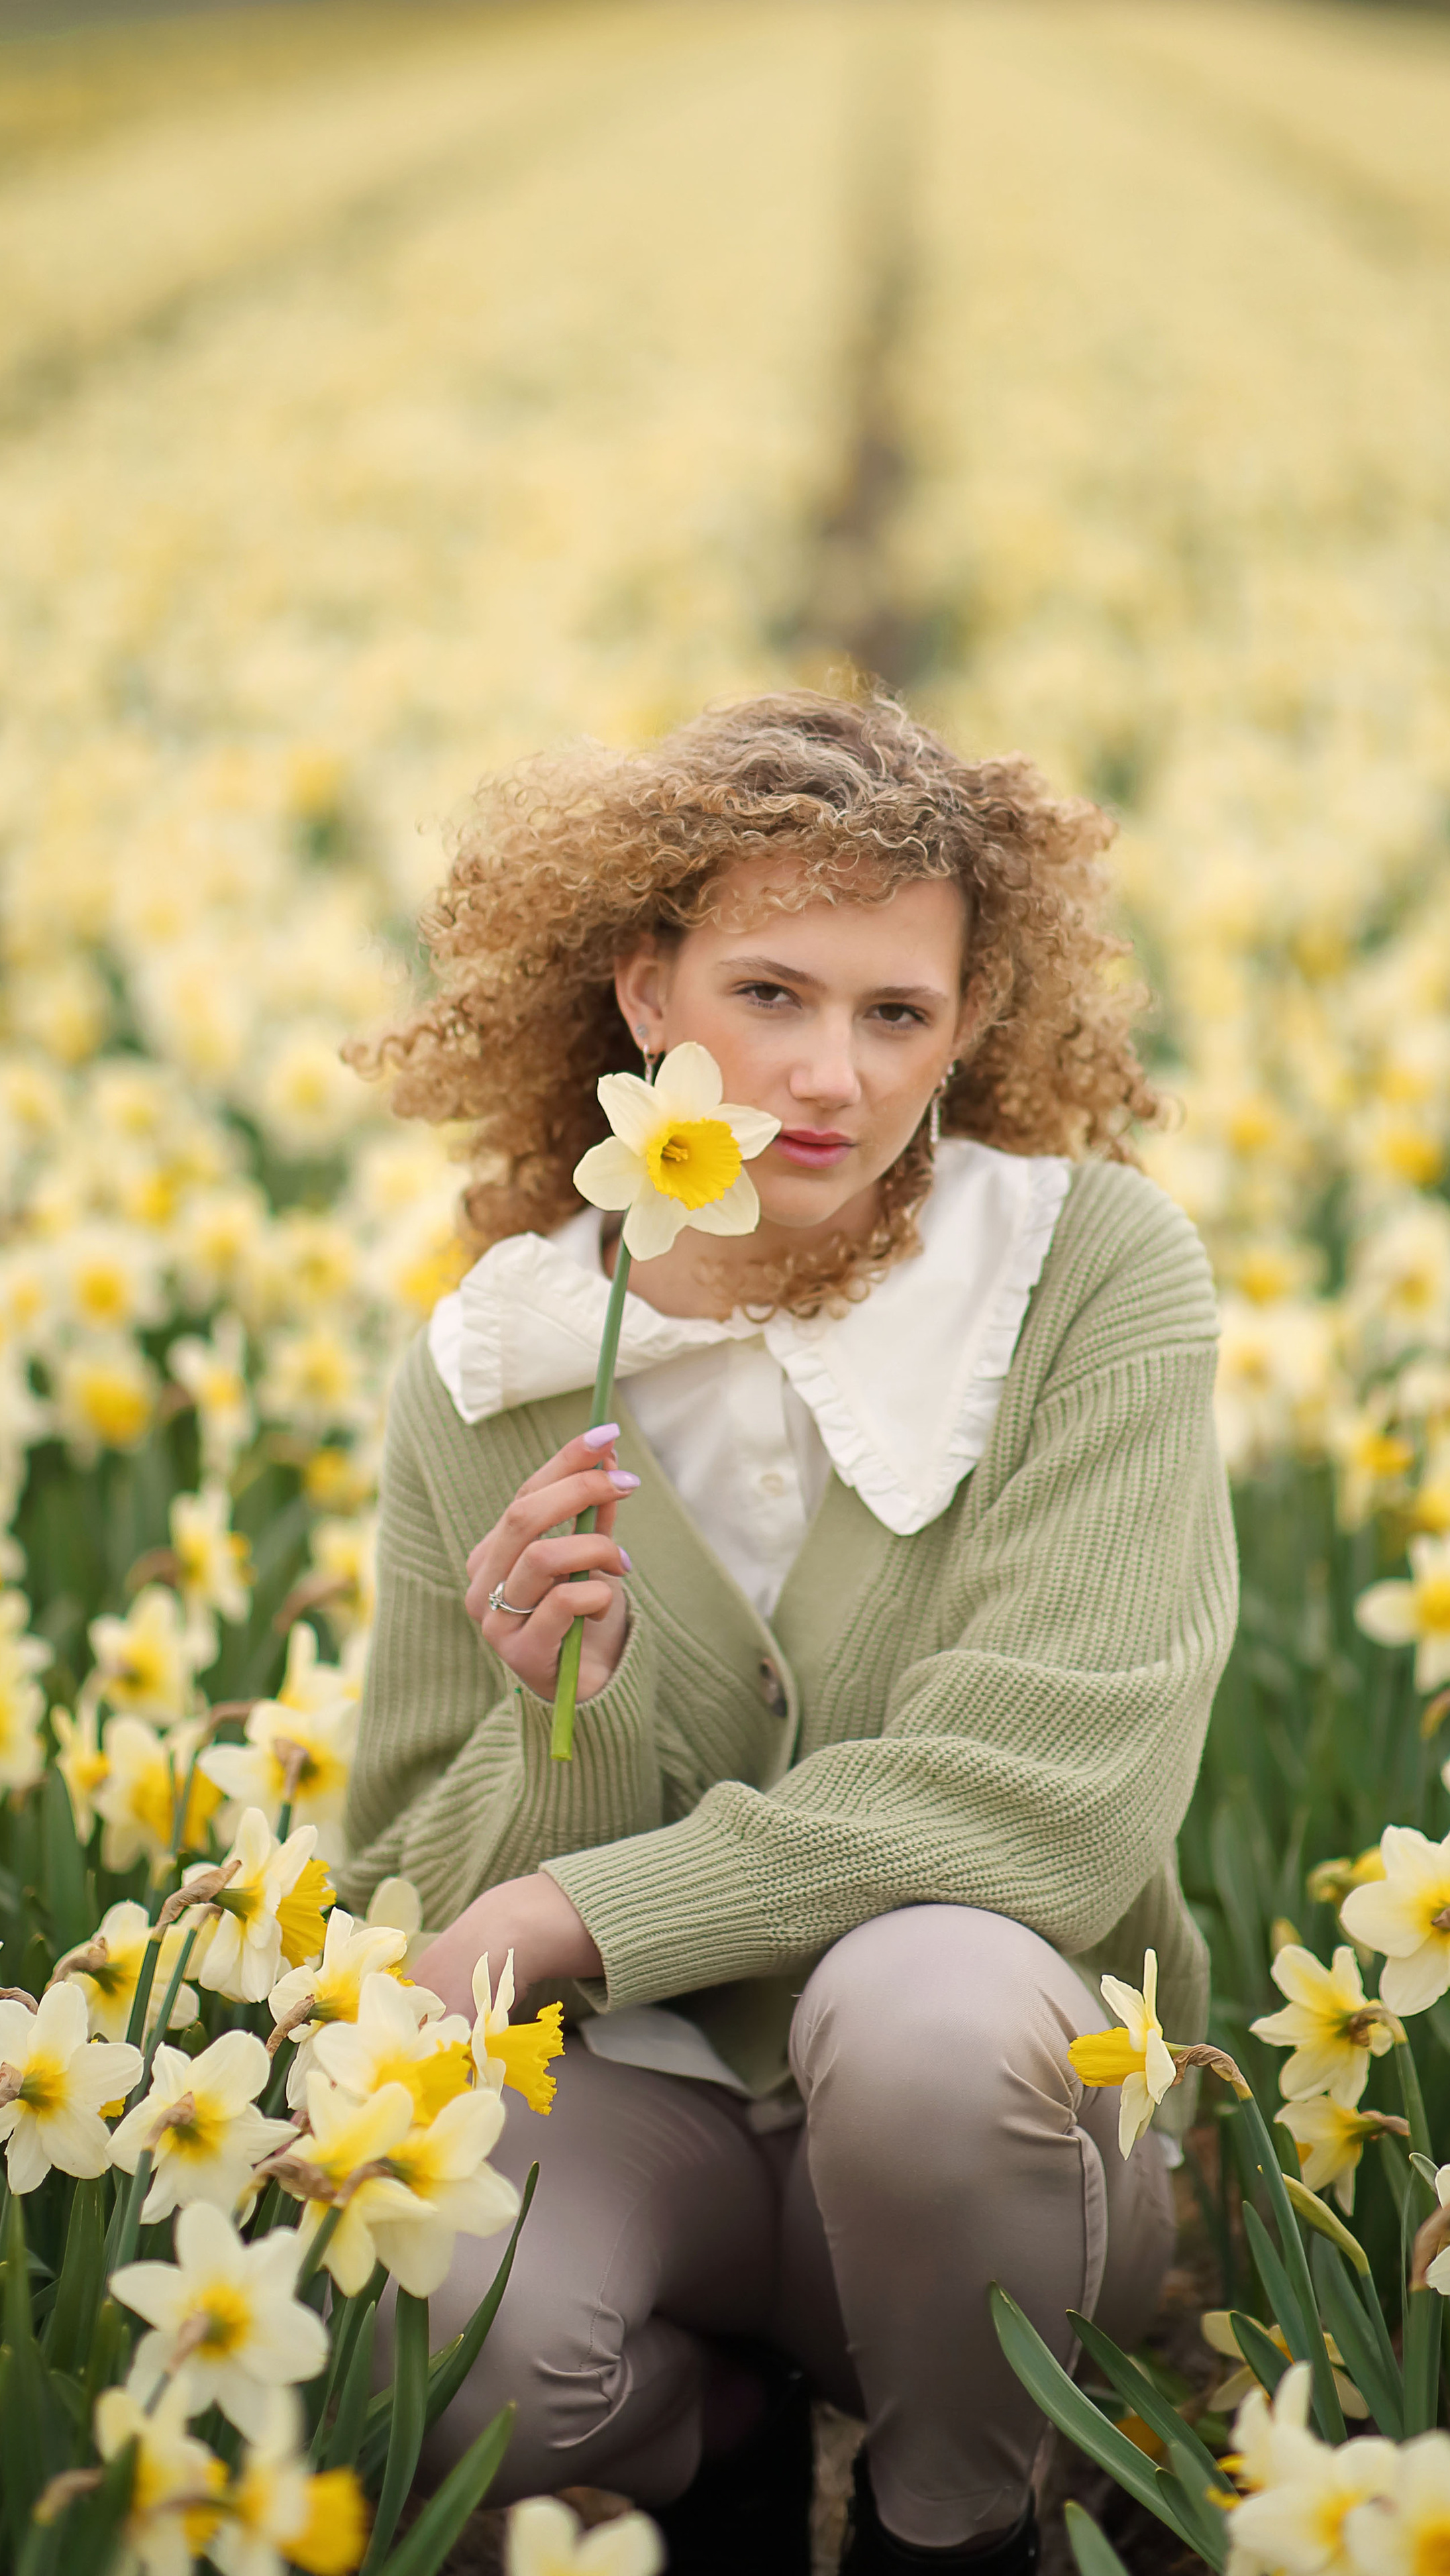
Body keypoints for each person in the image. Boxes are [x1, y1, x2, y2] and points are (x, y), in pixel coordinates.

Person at [339, 691, 1237, 2574]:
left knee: (928, 2009)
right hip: (649, 2144)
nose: (830, 1075)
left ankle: (953, 2529)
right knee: (438, 2284)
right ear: (644, 991)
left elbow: (1047, 1802)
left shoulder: (1088, 1279)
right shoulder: (502, 1363)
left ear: (969, 1025)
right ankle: (716, 2449)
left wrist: (578, 1913)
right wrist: (565, 1725)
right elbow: (413, 1903)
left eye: (896, 1013)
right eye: (771, 994)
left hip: (983, 2158)